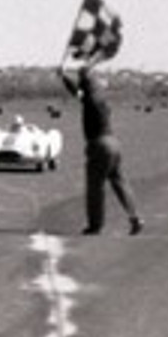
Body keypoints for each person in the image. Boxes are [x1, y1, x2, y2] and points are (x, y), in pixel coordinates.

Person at [59, 64, 144, 236]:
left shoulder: (89, 98)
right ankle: (135, 217)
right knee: (120, 182)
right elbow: (80, 91)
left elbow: (76, 91)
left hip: (99, 145)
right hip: (114, 142)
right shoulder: (102, 98)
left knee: (95, 187)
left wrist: (64, 77)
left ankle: (95, 225)